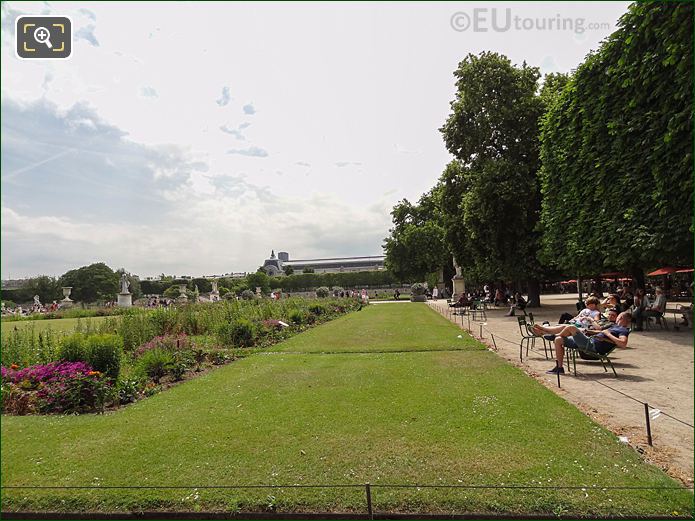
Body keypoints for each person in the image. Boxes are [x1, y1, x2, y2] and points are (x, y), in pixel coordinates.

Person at [533, 311, 632, 374]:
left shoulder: (623, 330)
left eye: (618, 316)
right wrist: (589, 331)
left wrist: (608, 335)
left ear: (622, 318)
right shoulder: (614, 327)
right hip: (589, 340)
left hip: (592, 346)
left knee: (570, 327)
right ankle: (559, 368)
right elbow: (601, 332)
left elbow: (623, 344)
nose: (616, 318)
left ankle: (544, 331)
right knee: (559, 340)